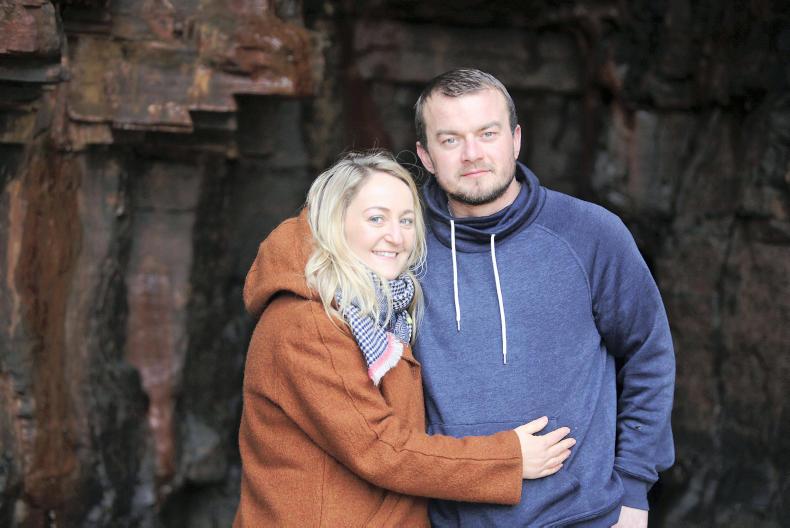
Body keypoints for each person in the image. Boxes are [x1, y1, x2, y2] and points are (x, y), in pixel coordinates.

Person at [233, 150, 577, 527]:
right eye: (376, 218)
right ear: (335, 223)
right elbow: (380, 449)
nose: (396, 237)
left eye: (407, 220)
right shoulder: (309, 322)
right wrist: (508, 459)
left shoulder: (379, 311)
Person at [413, 68, 675, 527]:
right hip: (450, 519)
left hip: (583, 516)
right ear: (426, 156)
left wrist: (634, 492)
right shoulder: (400, 247)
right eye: (450, 140)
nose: (472, 154)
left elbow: (648, 355)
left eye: (487, 133)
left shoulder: (590, 233)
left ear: (515, 140)